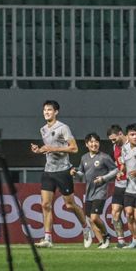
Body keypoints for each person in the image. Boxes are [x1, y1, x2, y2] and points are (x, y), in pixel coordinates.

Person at [30, 100, 90, 248]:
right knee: (45, 204)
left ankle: (86, 228)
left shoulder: (63, 128)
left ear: (56, 112)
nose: (46, 112)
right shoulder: (43, 129)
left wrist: (52, 148)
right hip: (49, 171)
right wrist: (39, 150)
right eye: (44, 110)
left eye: (49, 110)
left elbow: (74, 148)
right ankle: (48, 239)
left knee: (69, 205)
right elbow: (48, 149)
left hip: (63, 171)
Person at [71, 133, 118, 249]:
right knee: (89, 219)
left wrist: (104, 178)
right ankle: (102, 242)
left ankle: (106, 236)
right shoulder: (84, 158)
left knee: (94, 217)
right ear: (87, 144)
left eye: (96, 141)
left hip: (100, 191)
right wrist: (75, 173)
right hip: (88, 192)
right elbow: (82, 174)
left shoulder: (104, 157)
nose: (94, 144)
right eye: (91, 142)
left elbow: (115, 170)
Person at [106, 124, 129, 248]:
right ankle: (121, 241)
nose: (113, 142)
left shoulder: (131, 145)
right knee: (115, 212)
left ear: (121, 134)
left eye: (114, 139)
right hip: (120, 184)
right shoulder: (115, 147)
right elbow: (116, 165)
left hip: (133, 184)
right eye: (111, 140)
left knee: (133, 215)